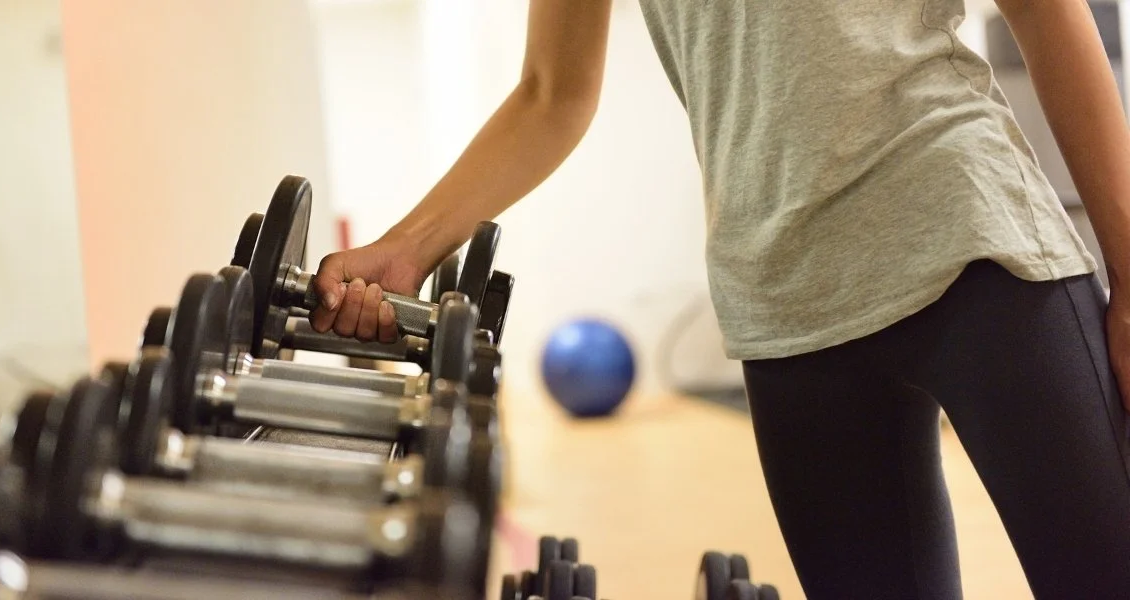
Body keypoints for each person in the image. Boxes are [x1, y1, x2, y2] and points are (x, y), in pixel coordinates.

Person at [307, 1, 1130, 597]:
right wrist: (407, 249)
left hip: (969, 237)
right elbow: (552, 93)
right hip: (781, 295)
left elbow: (1043, 7)